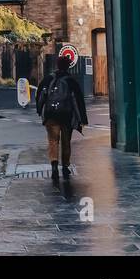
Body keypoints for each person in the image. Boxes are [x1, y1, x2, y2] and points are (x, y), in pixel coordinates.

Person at [35, 52, 88, 183]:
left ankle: (54, 165)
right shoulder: (71, 81)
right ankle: (65, 166)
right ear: (68, 66)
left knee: (53, 141)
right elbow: (79, 100)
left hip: (51, 114)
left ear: (57, 65)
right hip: (66, 115)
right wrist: (83, 119)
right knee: (66, 141)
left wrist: (39, 110)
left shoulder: (48, 79)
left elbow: (39, 95)